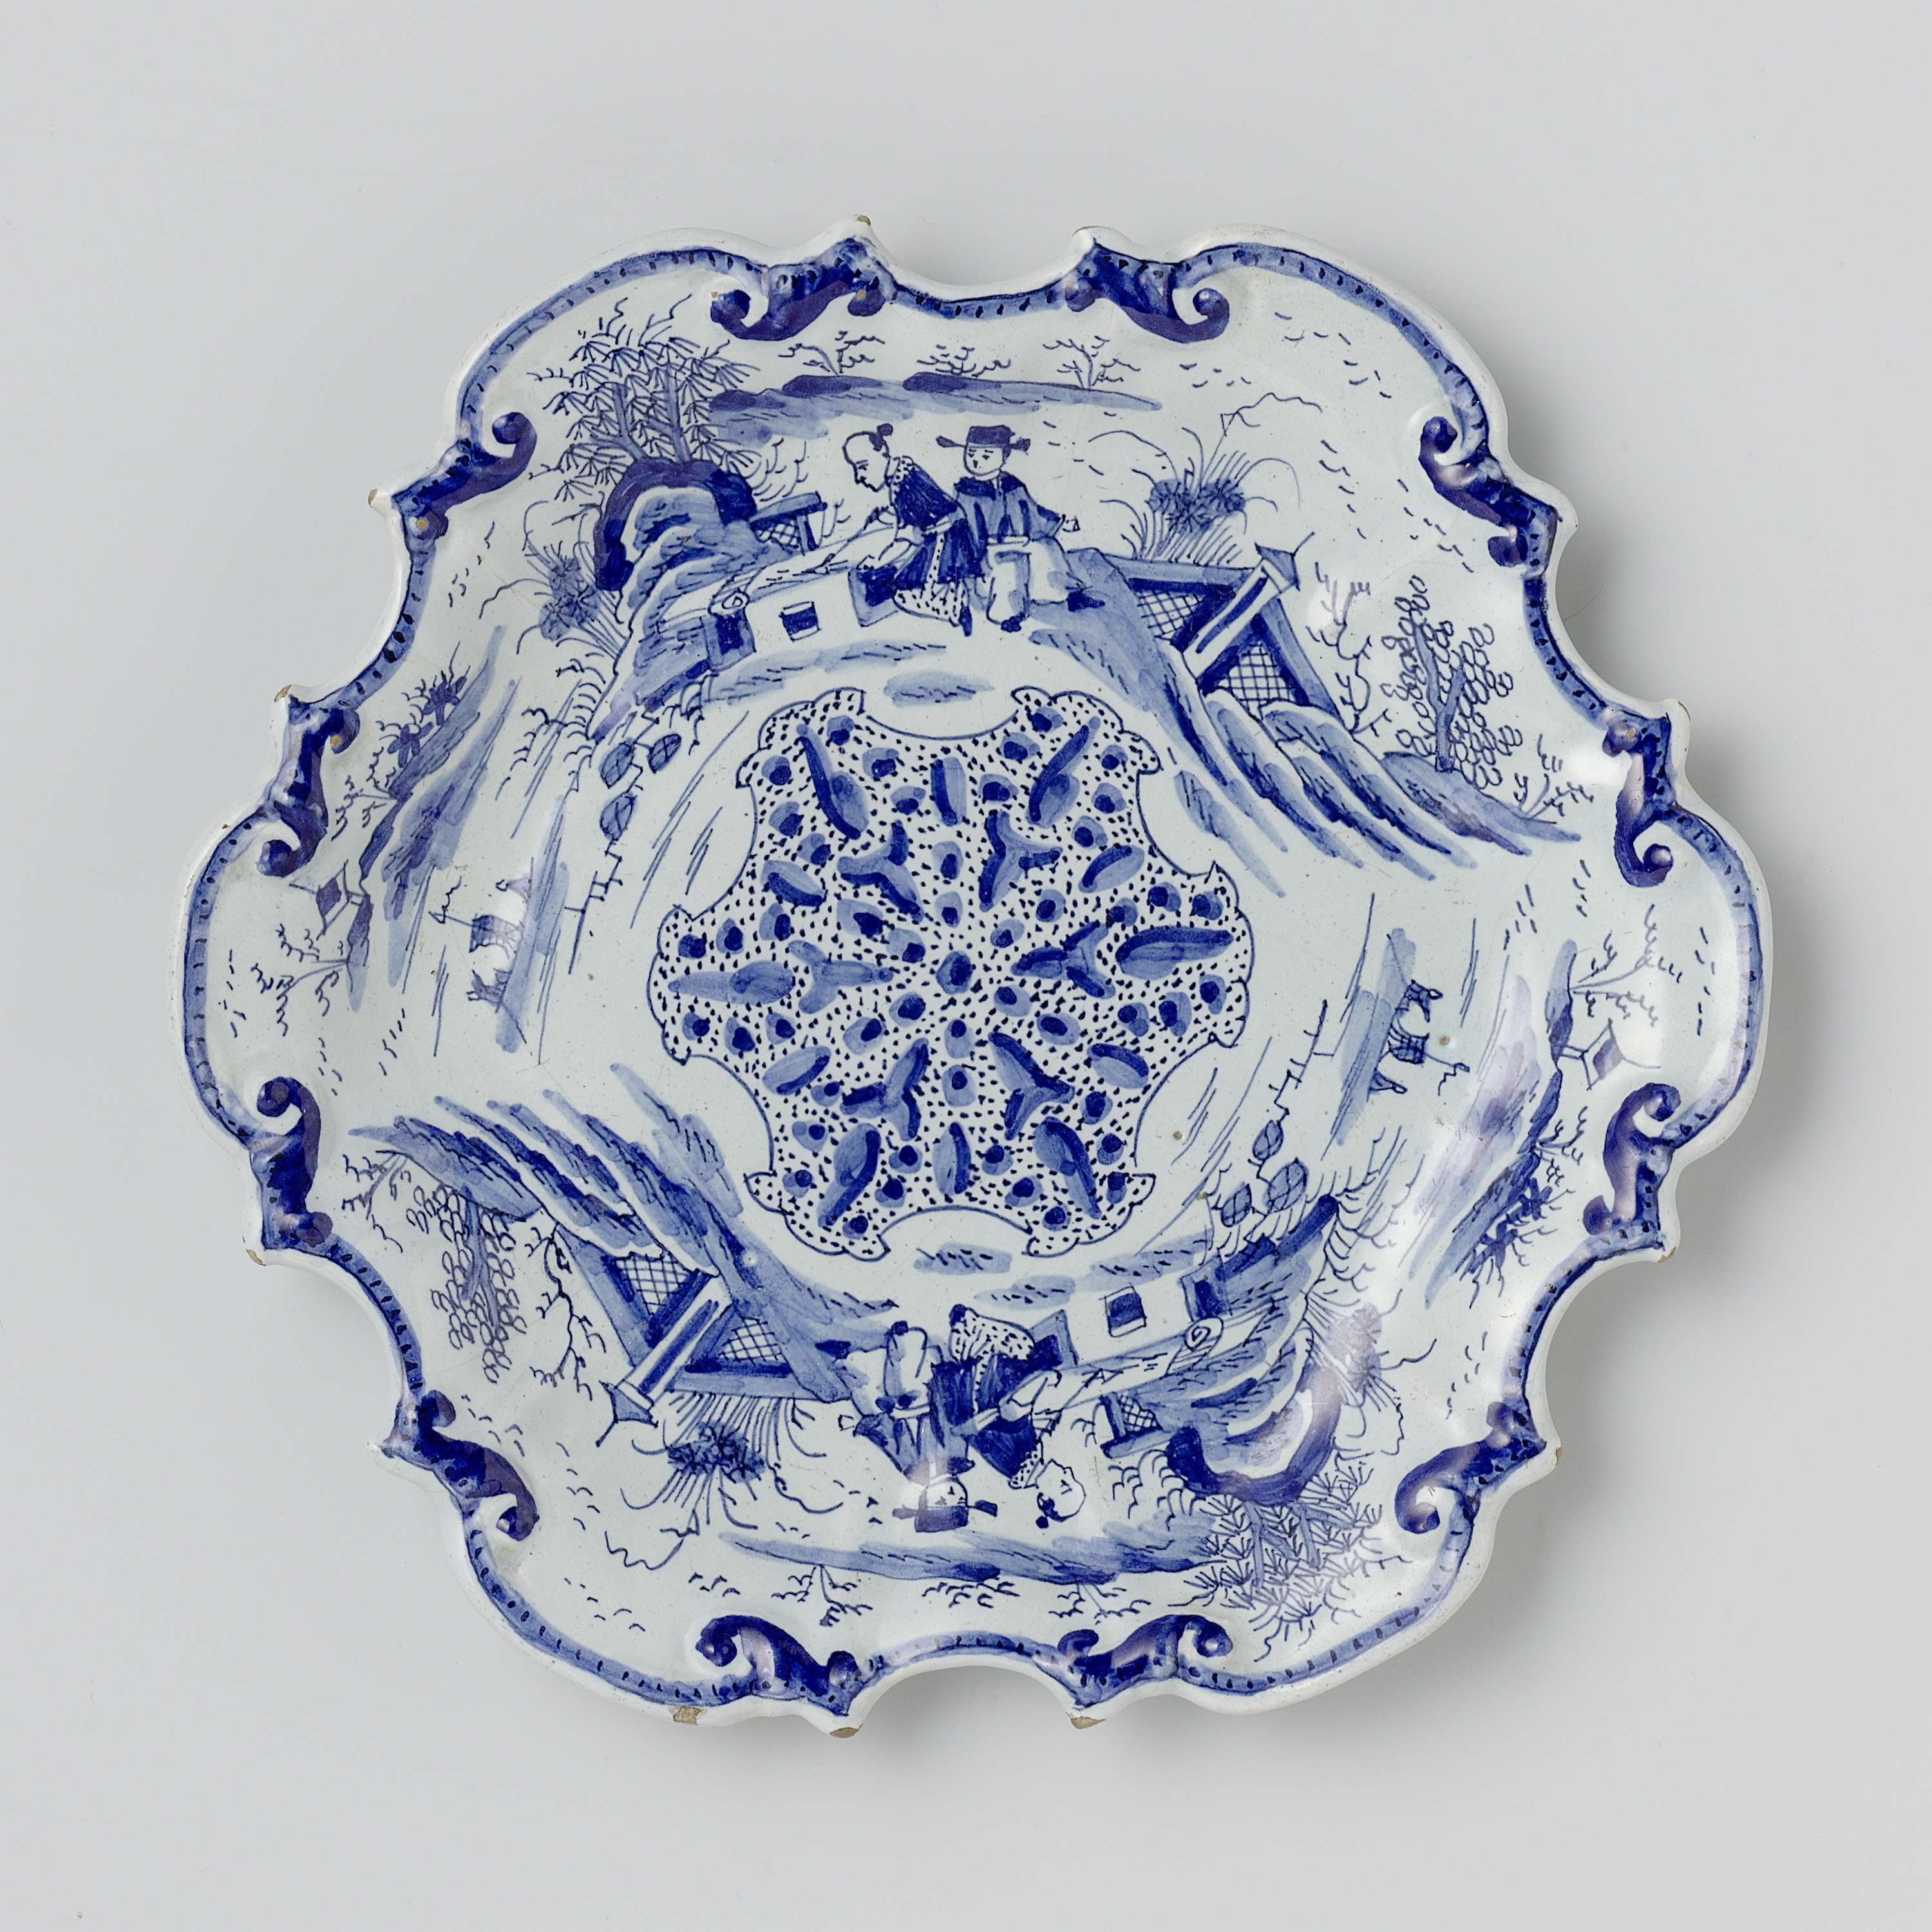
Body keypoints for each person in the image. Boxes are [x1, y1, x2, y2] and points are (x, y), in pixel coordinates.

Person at [932, 1302, 1088, 1530]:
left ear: (1043, 1498)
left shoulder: (1017, 1461)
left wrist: (1044, 1380)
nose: (1069, 1471)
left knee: (1028, 1353)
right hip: (980, 1399)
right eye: (1072, 1478)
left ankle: (971, 1329)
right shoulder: (1027, 1459)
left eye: (1065, 1484)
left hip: (975, 1395)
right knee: (1035, 1356)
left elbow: (1009, 1412)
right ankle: (971, 1331)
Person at [941, 424, 1103, 631]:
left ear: (1004, 457)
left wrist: (1060, 519)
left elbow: (1033, 511)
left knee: (1047, 546)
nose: (976, 461)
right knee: (1011, 562)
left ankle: (1071, 594)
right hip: (983, 549)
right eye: (971, 454)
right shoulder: (965, 491)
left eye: (986, 456)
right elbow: (961, 526)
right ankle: (1011, 615)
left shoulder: (1012, 485)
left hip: (1014, 540)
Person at [840, 424, 977, 632]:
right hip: (942, 537)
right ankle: (956, 607)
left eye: (863, 467)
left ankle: (956, 611)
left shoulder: (905, 482)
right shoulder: (901, 476)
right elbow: (907, 525)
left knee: (909, 592)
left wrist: (878, 561)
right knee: (909, 583)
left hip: (947, 540)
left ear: (882, 455)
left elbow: (907, 536)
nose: (859, 477)